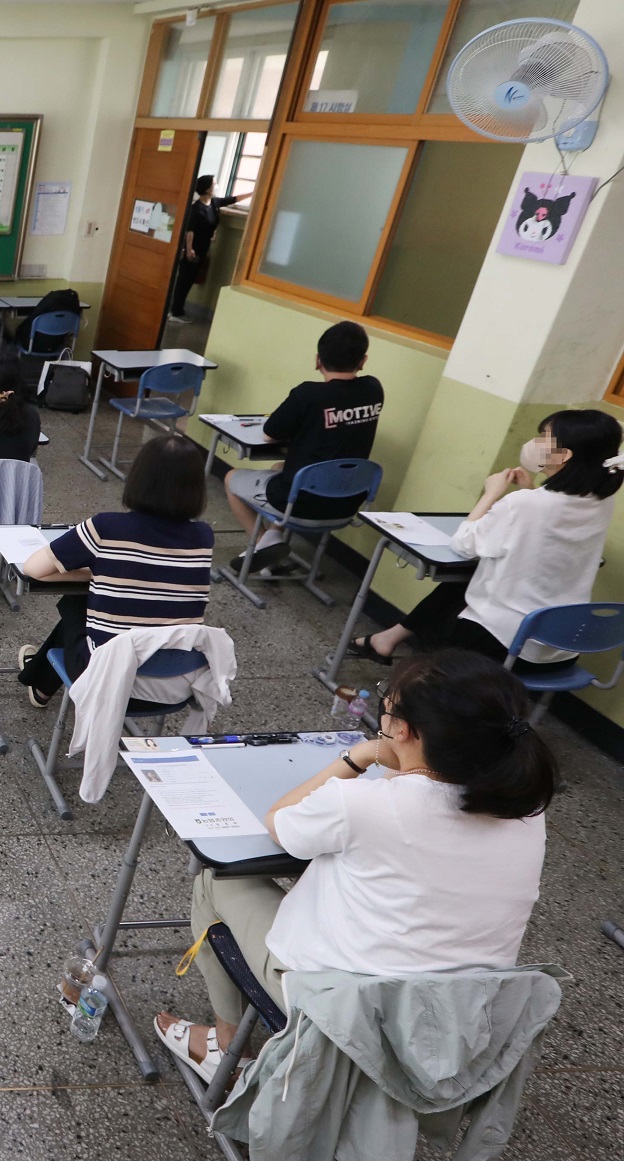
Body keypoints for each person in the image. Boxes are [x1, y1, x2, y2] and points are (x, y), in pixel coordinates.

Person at [153, 651, 552, 1081]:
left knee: (215, 880)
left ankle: (227, 1048)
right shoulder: (527, 812)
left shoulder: (365, 802)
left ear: (402, 729)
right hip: (460, 1023)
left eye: (387, 702)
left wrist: (357, 757)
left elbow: (278, 823)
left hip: (349, 1012)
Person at [350, 409, 624, 674]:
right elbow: (549, 524)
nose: (536, 442)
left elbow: (464, 543)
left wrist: (491, 494)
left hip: (506, 645)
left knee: (465, 585)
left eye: (544, 437)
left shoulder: (524, 504)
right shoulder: (601, 502)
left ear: (563, 455)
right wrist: (530, 491)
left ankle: (423, 681)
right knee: (468, 581)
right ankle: (387, 639)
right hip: (562, 647)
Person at [18, 434, 214, 706]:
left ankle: (40, 684)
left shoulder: (106, 528)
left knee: (78, 605)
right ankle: (39, 682)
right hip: (173, 681)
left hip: (106, 678)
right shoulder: (203, 537)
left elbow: (33, 568)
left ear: (139, 479)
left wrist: (94, 572)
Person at [225, 320, 383, 573]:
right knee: (280, 466)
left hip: (302, 503)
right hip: (347, 504)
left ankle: (259, 548)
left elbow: (268, 434)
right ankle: (272, 538)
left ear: (317, 360)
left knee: (231, 478)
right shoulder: (374, 389)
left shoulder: (307, 394)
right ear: (363, 361)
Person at [170, 175, 248, 321]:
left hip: (203, 247)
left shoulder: (213, 203)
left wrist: (252, 194)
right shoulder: (196, 209)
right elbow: (190, 231)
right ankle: (175, 312)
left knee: (190, 279)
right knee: (184, 280)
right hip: (192, 249)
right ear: (207, 189)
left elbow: (232, 199)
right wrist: (189, 249)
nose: (216, 185)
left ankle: (176, 309)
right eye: (214, 184)